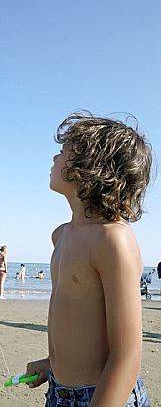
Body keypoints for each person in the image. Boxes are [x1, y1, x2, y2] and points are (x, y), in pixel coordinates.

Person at [25, 112, 152, 406]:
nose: (55, 156)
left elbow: (127, 355)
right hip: (58, 391)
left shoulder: (112, 239)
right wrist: (50, 364)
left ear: (90, 168)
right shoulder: (62, 235)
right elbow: (79, 322)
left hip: (104, 394)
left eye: (64, 150)